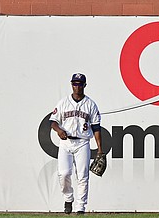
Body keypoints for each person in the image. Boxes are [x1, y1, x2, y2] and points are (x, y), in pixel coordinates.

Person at [49, 73, 102, 215]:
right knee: (64, 173)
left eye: (79, 84)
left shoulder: (91, 104)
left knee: (83, 176)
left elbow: (96, 128)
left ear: (85, 85)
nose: (77, 86)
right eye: (74, 83)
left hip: (83, 142)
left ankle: (81, 207)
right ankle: (68, 198)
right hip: (66, 143)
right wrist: (58, 130)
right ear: (71, 84)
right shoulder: (63, 102)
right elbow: (52, 122)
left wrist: (100, 150)